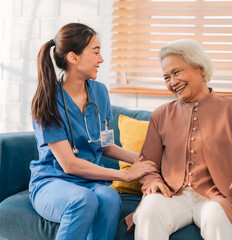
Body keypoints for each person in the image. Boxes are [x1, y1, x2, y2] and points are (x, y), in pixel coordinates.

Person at [29, 23, 156, 240]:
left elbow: (104, 144)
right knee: (82, 200)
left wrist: (142, 160)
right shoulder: (48, 100)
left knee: (109, 197)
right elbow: (69, 164)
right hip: (52, 182)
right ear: (73, 57)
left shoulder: (99, 92)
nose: (101, 59)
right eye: (96, 52)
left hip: (91, 182)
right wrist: (124, 175)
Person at [130, 39, 232, 240]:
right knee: (150, 209)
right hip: (173, 196)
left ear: (199, 67)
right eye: (166, 77)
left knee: (216, 216)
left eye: (177, 72)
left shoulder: (229, 109)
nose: (172, 82)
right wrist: (153, 180)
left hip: (215, 196)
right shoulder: (160, 115)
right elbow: (148, 162)